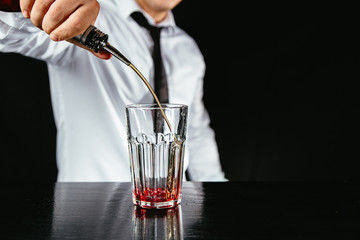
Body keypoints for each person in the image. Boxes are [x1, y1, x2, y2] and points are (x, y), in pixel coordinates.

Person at [0, 0, 226, 181]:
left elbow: (195, 132)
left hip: (171, 211)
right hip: (90, 215)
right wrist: (29, 9)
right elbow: (15, 35)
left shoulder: (188, 50)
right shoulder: (87, 15)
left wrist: (219, 192)